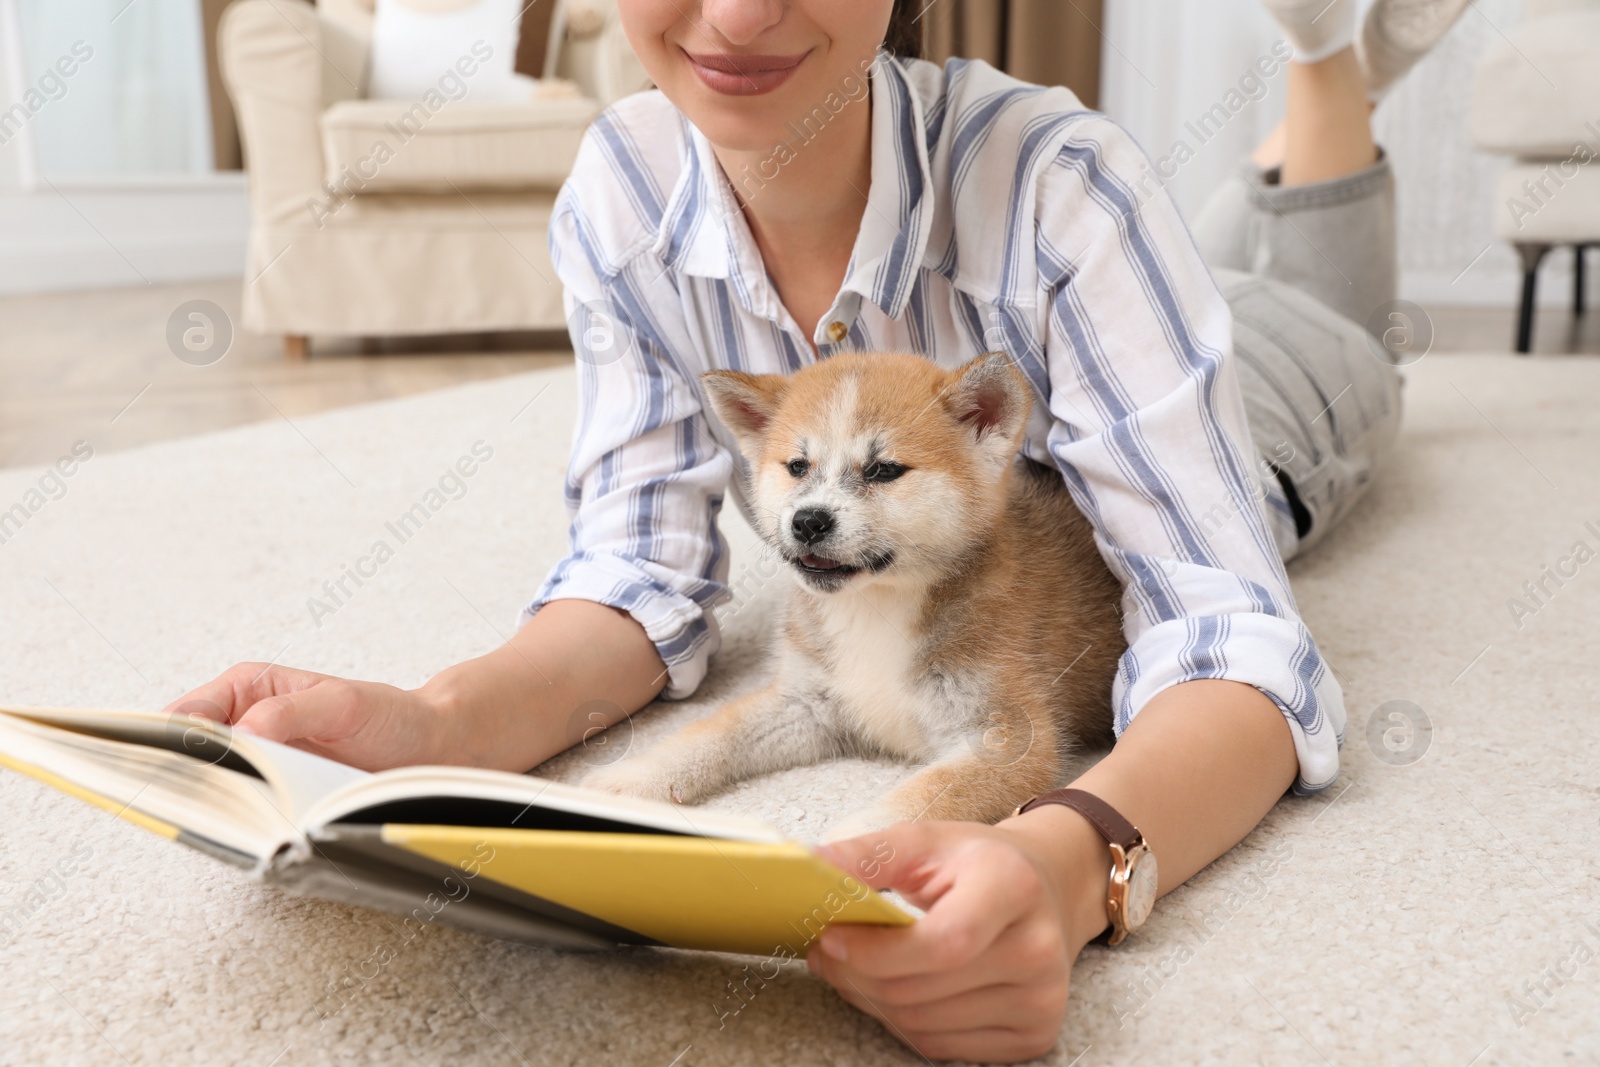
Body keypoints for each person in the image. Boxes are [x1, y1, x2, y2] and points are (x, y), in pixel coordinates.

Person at [170, 0, 1473, 1060]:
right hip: (1103, 324)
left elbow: (1233, 638)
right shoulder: (624, 190)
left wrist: (1075, 872)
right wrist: (446, 723)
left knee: (1327, 330)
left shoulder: (1060, 186)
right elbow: (633, 572)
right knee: (1218, 264)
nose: (737, 14)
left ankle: (1326, 66)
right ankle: (1309, 108)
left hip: (1286, 405)